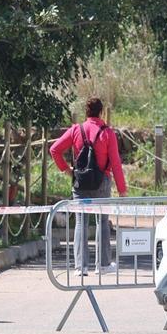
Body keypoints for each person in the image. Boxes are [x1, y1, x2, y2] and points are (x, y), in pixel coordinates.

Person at [49, 98, 127, 275]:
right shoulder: (108, 133)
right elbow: (115, 163)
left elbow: (54, 149)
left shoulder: (76, 129)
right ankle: (103, 265)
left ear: (86, 112)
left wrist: (66, 170)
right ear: (101, 113)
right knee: (102, 222)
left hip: (80, 181)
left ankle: (80, 267)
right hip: (102, 182)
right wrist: (122, 189)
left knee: (80, 222)